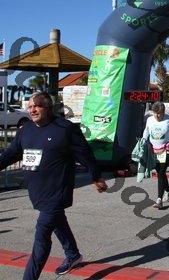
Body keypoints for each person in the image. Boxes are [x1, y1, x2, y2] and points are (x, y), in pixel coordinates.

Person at [0, 92, 107, 279]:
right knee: (58, 221)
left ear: (48, 107)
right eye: (30, 106)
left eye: (37, 106)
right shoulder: (26, 129)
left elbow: (85, 154)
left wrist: (96, 176)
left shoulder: (65, 129)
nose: (32, 110)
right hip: (37, 191)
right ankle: (73, 255)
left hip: (57, 191)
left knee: (41, 238)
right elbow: (11, 153)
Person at [143, 102, 169, 209]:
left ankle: (159, 199)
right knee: (160, 173)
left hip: (166, 150)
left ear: (163, 112)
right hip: (154, 150)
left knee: (161, 173)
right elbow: (146, 131)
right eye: (155, 113)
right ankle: (168, 190)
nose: (157, 116)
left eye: (160, 113)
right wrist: (144, 140)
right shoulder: (149, 120)